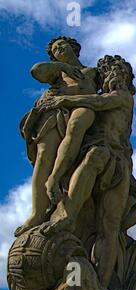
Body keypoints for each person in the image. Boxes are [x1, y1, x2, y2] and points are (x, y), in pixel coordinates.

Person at [41, 55, 136, 289]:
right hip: (101, 151)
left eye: (121, 73)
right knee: (94, 157)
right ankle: (68, 215)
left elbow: (100, 103)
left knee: (110, 226)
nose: (116, 77)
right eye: (111, 74)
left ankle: (102, 286)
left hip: (119, 163)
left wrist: (63, 100)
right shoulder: (97, 99)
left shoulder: (123, 97)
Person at [15, 36, 99, 237]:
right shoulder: (58, 74)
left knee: (77, 127)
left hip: (81, 108)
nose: (59, 49)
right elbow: (36, 71)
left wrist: (67, 95)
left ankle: (57, 181)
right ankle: (37, 213)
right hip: (54, 112)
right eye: (55, 50)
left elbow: (97, 92)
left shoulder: (92, 71)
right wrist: (62, 67)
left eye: (62, 46)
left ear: (74, 48)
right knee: (43, 156)